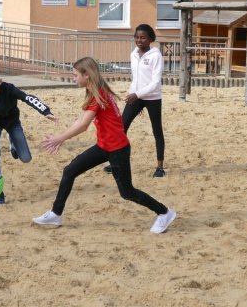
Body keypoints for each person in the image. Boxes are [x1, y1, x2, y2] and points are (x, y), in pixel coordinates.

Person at [32, 56, 176, 232]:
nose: (73, 78)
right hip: (103, 146)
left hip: (118, 150)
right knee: (70, 171)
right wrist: (60, 137)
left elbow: (83, 126)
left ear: (86, 75)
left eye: (75, 75)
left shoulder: (98, 94)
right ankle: (55, 214)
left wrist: (60, 138)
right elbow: (80, 120)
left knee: (127, 193)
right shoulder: (94, 91)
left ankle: (164, 212)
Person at [0, 67, 57, 204]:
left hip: (12, 123)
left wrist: (45, 111)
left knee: (26, 158)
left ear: (0, 82)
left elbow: (27, 98)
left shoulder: (9, 89)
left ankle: (12, 141)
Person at [103, 23, 166, 177]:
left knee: (157, 130)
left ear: (150, 39)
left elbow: (155, 83)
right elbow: (136, 79)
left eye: (143, 37)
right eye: (137, 37)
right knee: (121, 128)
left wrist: (137, 94)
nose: (139, 40)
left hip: (152, 97)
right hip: (136, 96)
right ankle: (116, 162)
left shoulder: (156, 56)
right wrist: (132, 93)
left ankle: (160, 167)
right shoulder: (134, 54)